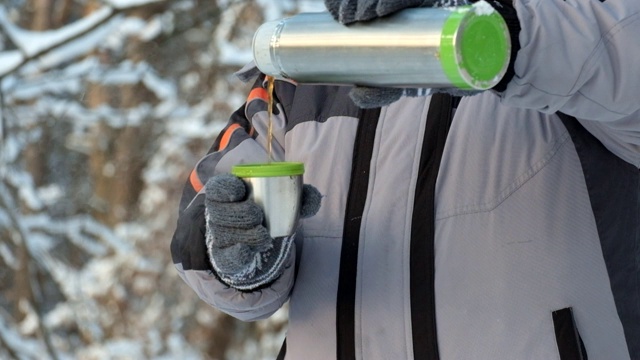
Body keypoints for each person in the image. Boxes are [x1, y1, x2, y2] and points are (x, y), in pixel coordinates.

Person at [170, 0, 640, 358]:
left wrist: (496, 30)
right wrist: (238, 257)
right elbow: (208, 216)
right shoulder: (305, 71)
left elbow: (617, 58)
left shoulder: (574, 30)